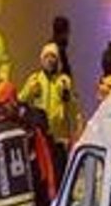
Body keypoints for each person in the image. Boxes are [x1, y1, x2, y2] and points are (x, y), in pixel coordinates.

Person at [19, 42, 78, 177]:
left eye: (53, 57)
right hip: (40, 138)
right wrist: (30, 92)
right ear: (42, 59)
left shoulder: (64, 81)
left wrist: (74, 135)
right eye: (47, 57)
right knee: (42, 174)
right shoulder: (34, 79)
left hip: (59, 138)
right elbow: (20, 101)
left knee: (59, 173)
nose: (50, 60)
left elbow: (73, 110)